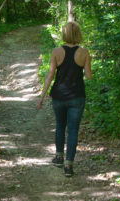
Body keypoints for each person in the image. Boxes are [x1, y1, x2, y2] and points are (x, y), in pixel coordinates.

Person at [36, 21, 93, 177]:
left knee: (60, 125)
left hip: (59, 96)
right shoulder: (84, 52)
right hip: (77, 96)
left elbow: (49, 75)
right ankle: (69, 165)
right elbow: (88, 76)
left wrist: (41, 97)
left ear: (64, 34)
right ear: (78, 34)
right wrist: (88, 62)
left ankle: (59, 157)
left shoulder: (56, 51)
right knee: (73, 130)